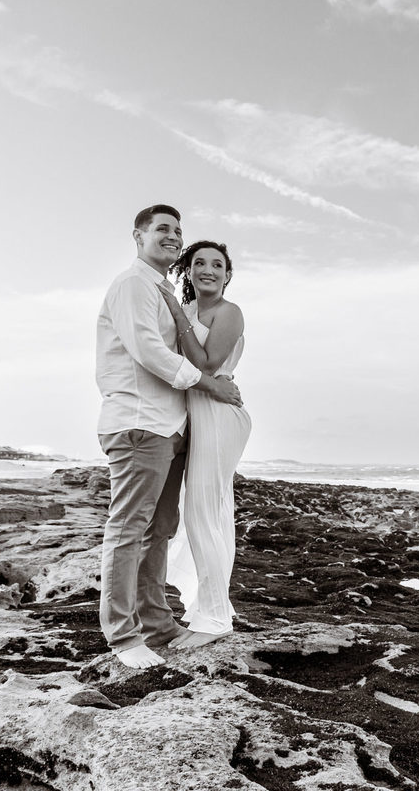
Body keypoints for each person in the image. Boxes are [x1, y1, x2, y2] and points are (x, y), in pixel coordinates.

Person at [95, 205, 242, 669]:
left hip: (170, 426)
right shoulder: (132, 285)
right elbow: (150, 352)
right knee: (127, 530)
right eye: (162, 229)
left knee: (159, 531)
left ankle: (157, 624)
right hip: (140, 424)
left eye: (178, 231)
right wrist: (209, 383)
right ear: (138, 236)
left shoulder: (162, 291)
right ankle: (123, 636)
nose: (173, 236)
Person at [157, 241, 251, 648]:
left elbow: (207, 365)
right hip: (195, 414)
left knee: (204, 515)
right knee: (201, 515)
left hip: (220, 415)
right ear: (189, 270)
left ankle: (214, 619)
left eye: (217, 264)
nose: (208, 269)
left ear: (228, 275)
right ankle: (209, 608)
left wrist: (178, 312)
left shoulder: (228, 312)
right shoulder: (190, 310)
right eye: (199, 263)